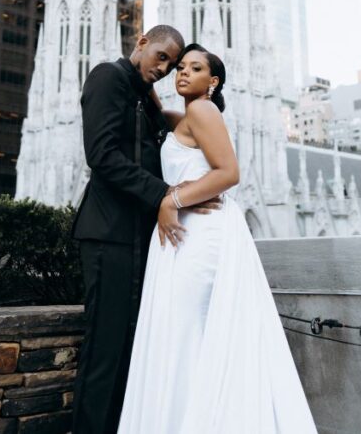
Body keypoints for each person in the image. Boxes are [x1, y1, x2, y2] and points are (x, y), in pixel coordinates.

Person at [117, 44, 318, 434]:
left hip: (201, 236)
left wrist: (169, 199)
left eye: (195, 68)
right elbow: (155, 108)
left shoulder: (203, 110)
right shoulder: (185, 116)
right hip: (187, 234)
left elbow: (228, 173)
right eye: (179, 67)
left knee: (186, 333)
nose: (182, 73)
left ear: (213, 82)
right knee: (186, 334)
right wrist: (141, 59)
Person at [71, 26, 220, 434]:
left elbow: (174, 129)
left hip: (140, 239)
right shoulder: (107, 77)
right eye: (161, 56)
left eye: (171, 64)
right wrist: (167, 195)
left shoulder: (141, 94)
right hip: (107, 237)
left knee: (131, 350)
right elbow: (101, 155)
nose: (164, 67)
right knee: (104, 351)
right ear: (140, 42)